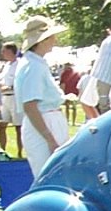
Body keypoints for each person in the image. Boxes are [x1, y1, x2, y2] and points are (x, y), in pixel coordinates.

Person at [15, 16, 70, 175]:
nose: (55, 40)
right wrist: (50, 139)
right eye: (52, 36)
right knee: (49, 175)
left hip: (48, 120)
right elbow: (30, 106)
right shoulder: (33, 66)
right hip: (44, 123)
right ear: (43, 39)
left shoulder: (35, 63)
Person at [0, 42, 23, 158]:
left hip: (15, 98)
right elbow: (0, 79)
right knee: (2, 125)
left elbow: (21, 81)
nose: (2, 53)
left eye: (4, 51)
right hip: (4, 98)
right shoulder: (6, 65)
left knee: (18, 127)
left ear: (11, 51)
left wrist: (10, 87)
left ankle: (20, 152)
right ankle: (3, 150)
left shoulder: (20, 64)